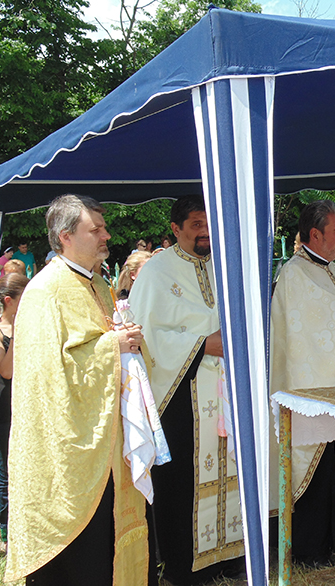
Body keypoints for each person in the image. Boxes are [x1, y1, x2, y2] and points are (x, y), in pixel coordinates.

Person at [5, 194, 151, 586]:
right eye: (96, 229)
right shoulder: (44, 291)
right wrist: (113, 345)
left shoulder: (98, 284)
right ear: (66, 236)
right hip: (67, 446)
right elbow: (47, 375)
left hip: (105, 432)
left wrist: (122, 339)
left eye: (103, 227)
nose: (106, 235)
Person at [130, 195, 244, 585]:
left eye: (208, 224)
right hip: (180, 396)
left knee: (231, 470)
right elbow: (146, 337)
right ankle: (184, 566)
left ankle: (229, 554)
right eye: (196, 225)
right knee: (182, 483)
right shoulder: (156, 273)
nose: (205, 233)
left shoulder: (224, 266)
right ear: (176, 229)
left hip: (225, 391)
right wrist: (200, 345)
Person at [270, 199, 335, 567]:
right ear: (314, 233)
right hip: (311, 385)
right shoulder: (295, 272)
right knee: (318, 460)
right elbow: (314, 328)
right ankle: (311, 547)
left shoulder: (330, 270)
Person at [0, 273, 29, 545]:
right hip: (6, 411)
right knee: (7, 471)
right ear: (8, 301)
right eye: (22, 299)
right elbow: (6, 369)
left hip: (28, 405)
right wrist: (16, 331)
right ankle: (6, 528)